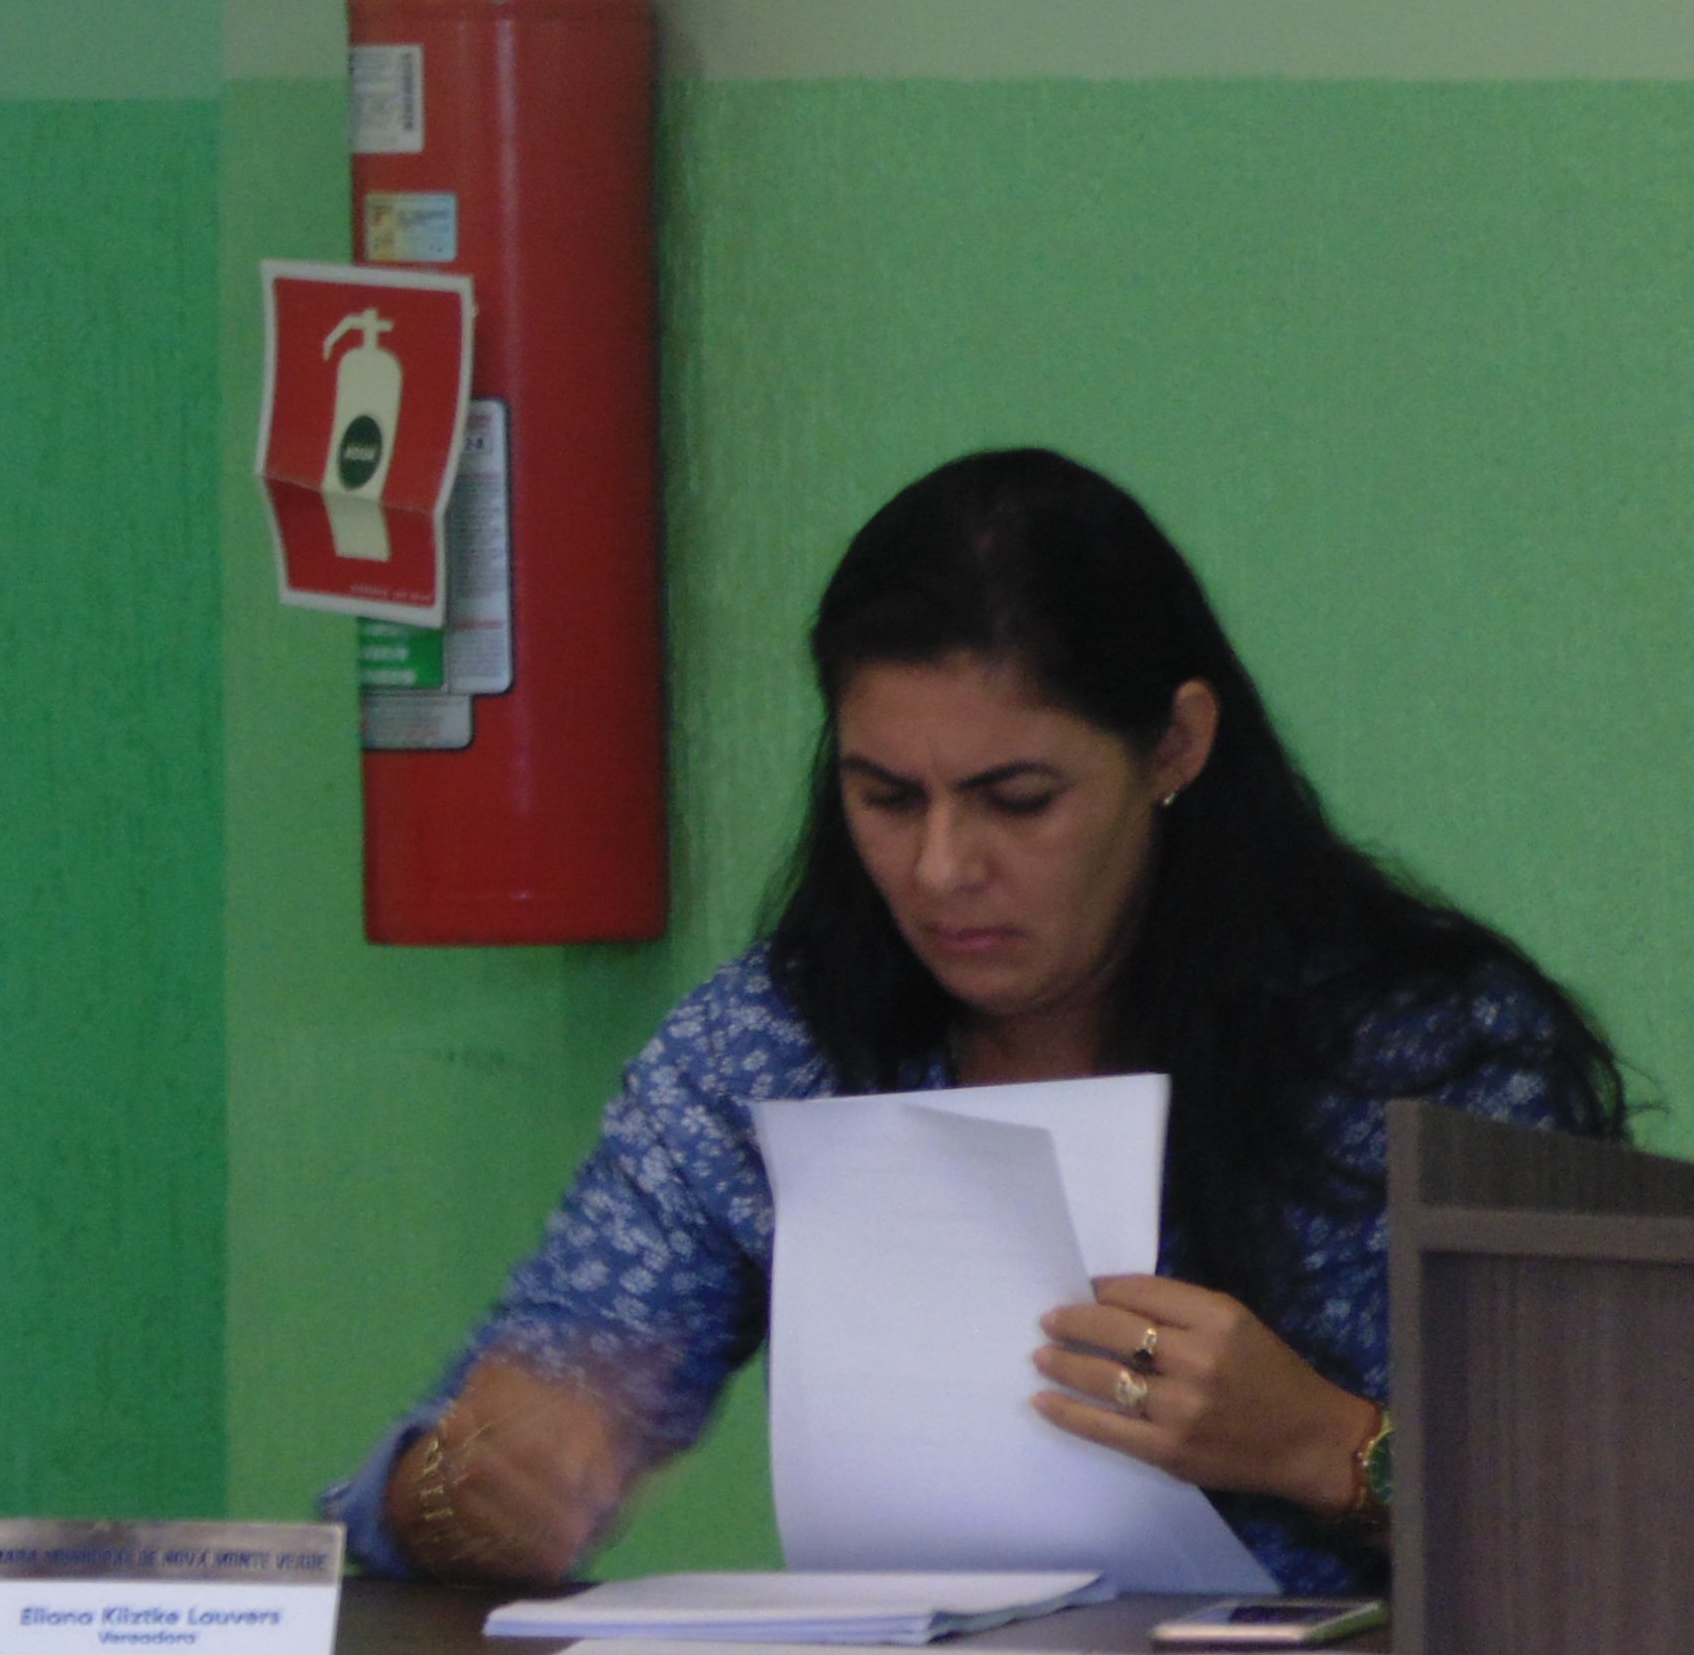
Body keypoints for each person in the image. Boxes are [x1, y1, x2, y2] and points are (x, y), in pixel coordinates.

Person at [330, 447, 1626, 1595]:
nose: (943, 869)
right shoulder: (775, 1049)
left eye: (1018, 800)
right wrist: (465, 1490)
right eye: (886, 798)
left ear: (1175, 747)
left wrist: (1330, 1449)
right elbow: (413, 1493)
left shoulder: (1426, 1053)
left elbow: (1624, 1528)